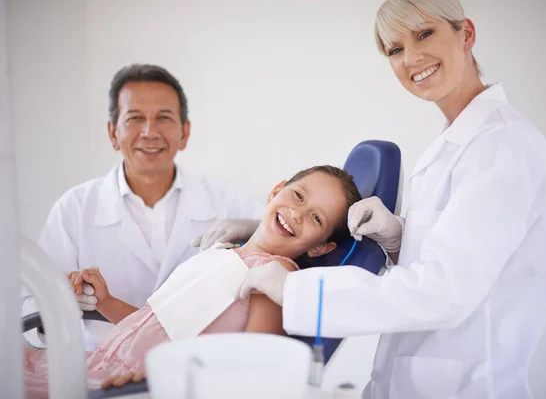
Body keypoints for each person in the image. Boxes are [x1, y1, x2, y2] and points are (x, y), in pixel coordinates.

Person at [208, 0, 546, 398]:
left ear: (466, 33)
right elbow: (456, 257)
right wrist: (399, 240)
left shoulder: (504, 147)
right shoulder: (453, 144)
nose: (411, 57)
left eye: (424, 34)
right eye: (394, 49)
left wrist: (295, 290)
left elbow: (445, 292)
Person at [23, 165, 362, 398]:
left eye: (316, 218)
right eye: (298, 196)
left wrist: (164, 378)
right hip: (100, 363)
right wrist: (106, 301)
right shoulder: (224, 251)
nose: (297, 213)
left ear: (321, 247)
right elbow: (157, 324)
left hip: (136, 385)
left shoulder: (273, 277)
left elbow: (256, 369)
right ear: (277, 190)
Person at [21, 63, 265, 351]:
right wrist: (59, 305)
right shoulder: (74, 209)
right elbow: (27, 312)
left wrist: (255, 229)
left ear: (184, 133)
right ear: (113, 133)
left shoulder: (229, 202)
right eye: (135, 118)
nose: (150, 132)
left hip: (197, 369)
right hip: (101, 375)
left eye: (164, 118)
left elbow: (285, 245)